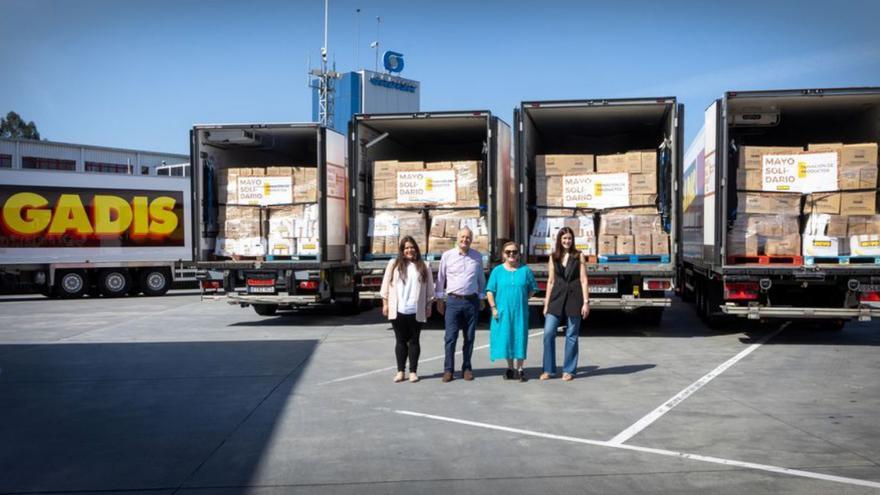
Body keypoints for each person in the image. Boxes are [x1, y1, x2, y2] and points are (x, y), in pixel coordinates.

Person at [380, 236, 435, 383]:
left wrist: (429, 305)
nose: (409, 250)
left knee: (414, 341)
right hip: (398, 309)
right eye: (406, 248)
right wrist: (385, 303)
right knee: (400, 341)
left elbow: (430, 289)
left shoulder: (424, 266)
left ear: (416, 249)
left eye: (412, 247)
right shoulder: (394, 264)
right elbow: (385, 285)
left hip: (416, 309)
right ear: (402, 250)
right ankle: (400, 371)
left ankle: (413, 372)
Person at [435, 227, 486, 382]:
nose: (465, 240)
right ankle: (448, 369)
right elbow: (441, 278)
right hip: (453, 301)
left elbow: (480, 279)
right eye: (462, 237)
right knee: (450, 337)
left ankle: (467, 368)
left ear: (471, 239)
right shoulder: (447, 256)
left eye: (468, 237)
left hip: (471, 301)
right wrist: (439, 299)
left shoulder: (477, 256)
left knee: (469, 337)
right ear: (457, 239)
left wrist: (482, 298)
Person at [542, 226, 589, 381]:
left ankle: (569, 370)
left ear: (572, 240)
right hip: (556, 297)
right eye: (564, 239)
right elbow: (550, 281)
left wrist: (586, 302)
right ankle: (549, 370)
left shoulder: (579, 256)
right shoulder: (553, 257)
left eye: (569, 238)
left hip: (575, 298)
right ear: (559, 240)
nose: (567, 241)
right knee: (548, 333)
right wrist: (546, 303)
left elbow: (583, 280)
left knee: (572, 335)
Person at [486, 241, 537, 382]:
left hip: (520, 311)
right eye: (508, 252)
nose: (511, 254)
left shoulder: (525, 270)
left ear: (518, 254)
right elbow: (490, 291)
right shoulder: (497, 271)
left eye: (514, 252)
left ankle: (520, 368)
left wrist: (523, 298)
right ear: (503, 254)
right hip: (503, 311)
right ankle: (510, 367)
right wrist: (493, 308)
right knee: (507, 337)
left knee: (520, 337)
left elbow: (532, 288)